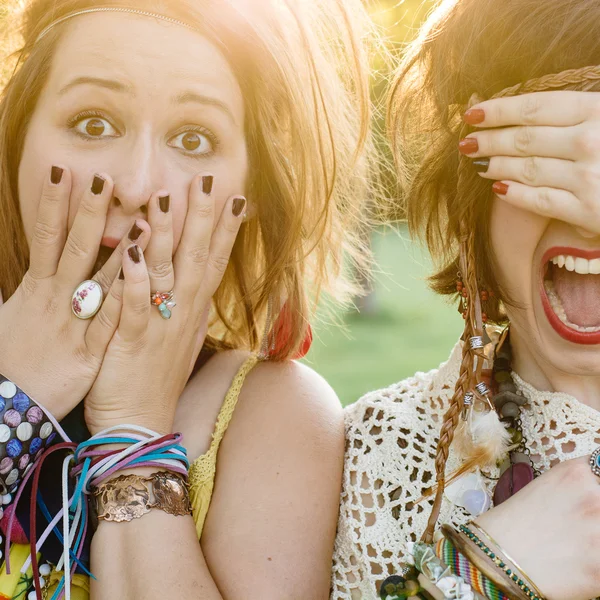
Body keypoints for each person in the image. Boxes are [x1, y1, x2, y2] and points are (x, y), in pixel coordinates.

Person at [0, 0, 381, 598]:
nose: (135, 185)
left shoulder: (270, 416)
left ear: (249, 190)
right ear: (16, 136)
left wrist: (133, 431)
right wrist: (14, 400)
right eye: (93, 123)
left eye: (193, 138)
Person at [331, 1, 600, 599]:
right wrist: (483, 577)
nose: (586, 214)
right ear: (471, 192)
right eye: (551, 159)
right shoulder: (379, 453)